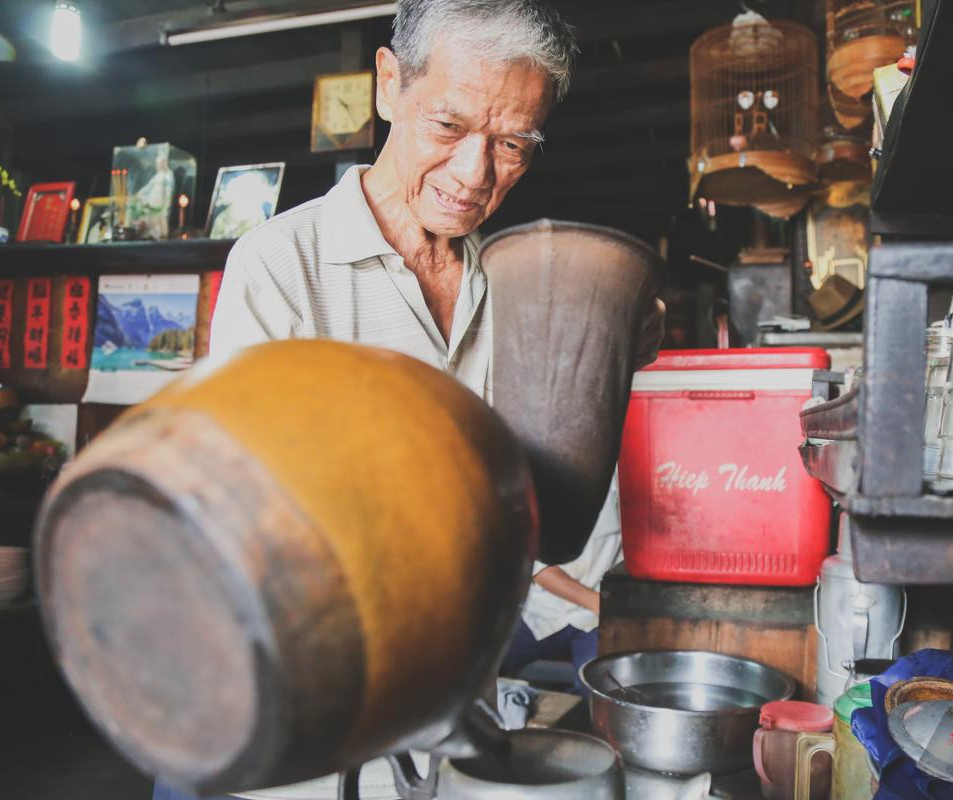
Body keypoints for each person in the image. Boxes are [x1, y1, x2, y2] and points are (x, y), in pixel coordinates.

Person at [155, 1, 661, 798]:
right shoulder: (283, 265)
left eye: (512, 144)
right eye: (449, 127)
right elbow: (269, 521)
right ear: (389, 85)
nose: (475, 173)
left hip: (453, 726)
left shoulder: (525, 289)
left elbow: (559, 528)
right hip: (313, 728)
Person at [501, 473, 622, 696]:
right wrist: (596, 602)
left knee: (599, 693)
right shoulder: (543, 477)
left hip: (594, 620)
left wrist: (606, 606)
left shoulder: (617, 474)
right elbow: (539, 569)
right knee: (484, 666)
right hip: (541, 609)